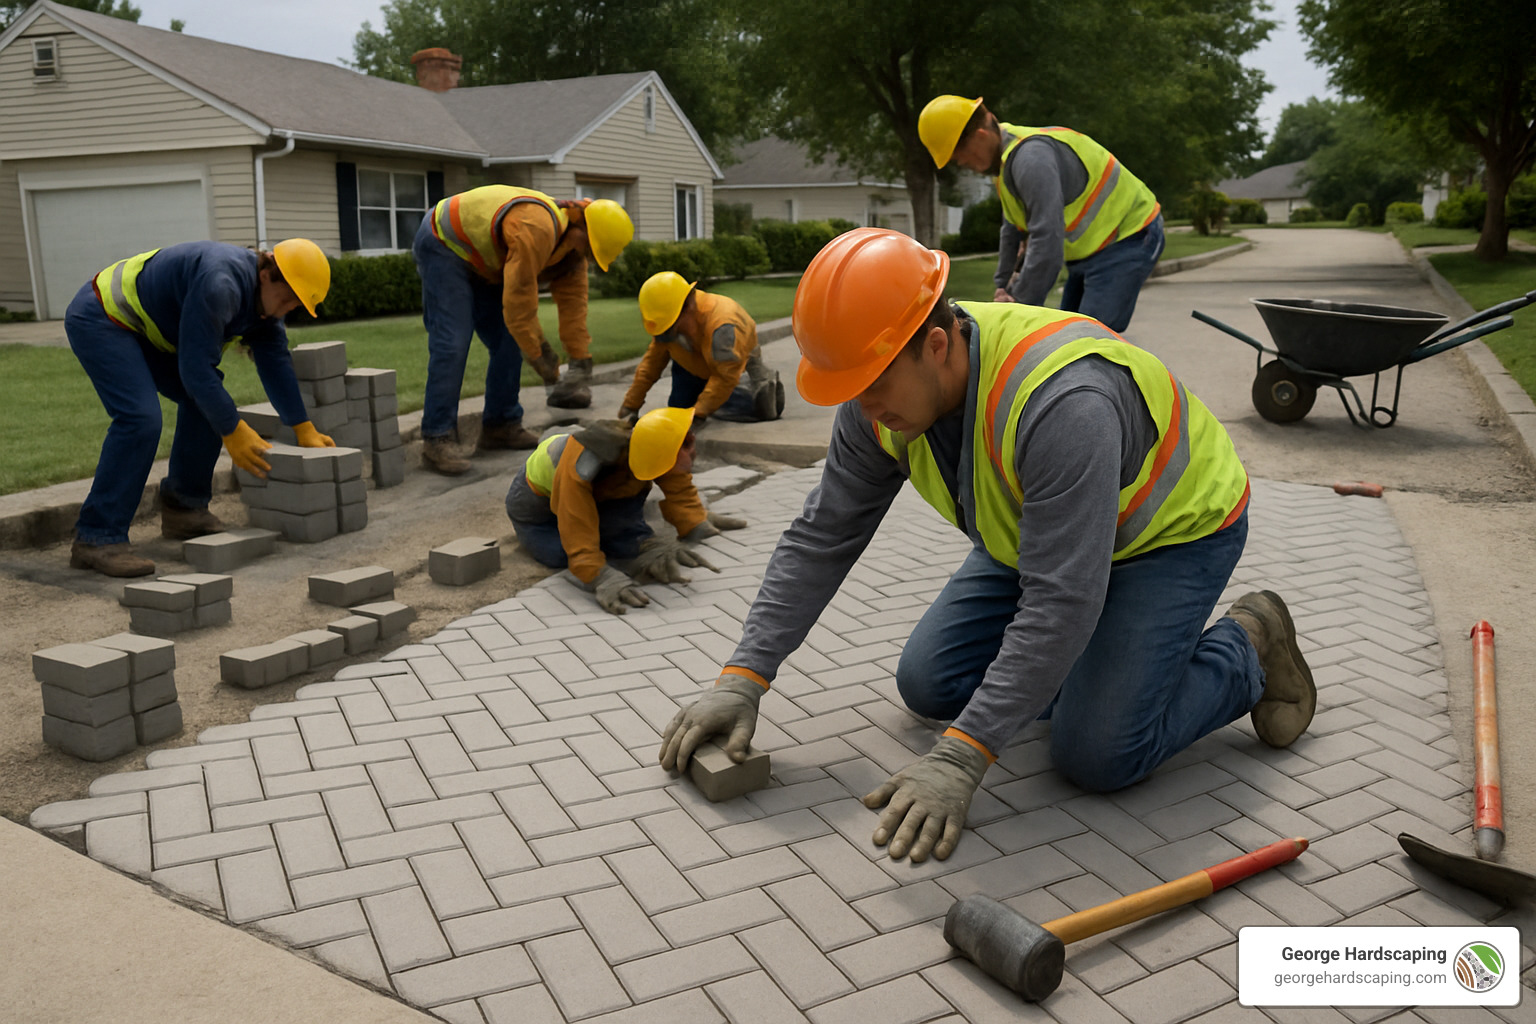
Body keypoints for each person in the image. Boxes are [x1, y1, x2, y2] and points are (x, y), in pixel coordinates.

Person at [658, 228, 1315, 864]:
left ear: (937, 344)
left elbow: (1060, 600)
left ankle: (1247, 643)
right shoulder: (878, 401)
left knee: (1098, 753)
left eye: (873, 383)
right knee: (929, 681)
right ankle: (1103, 667)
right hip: (1046, 541)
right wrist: (743, 677)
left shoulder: (1063, 403)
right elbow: (821, 537)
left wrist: (962, 755)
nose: (862, 406)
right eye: (850, 386)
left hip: (1170, 533)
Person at [65, 239, 335, 578]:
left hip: (150, 330)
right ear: (267, 274)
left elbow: (275, 361)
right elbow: (196, 370)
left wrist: (302, 426)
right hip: (104, 316)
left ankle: (184, 508)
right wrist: (233, 430)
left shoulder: (265, 307)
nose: (288, 307)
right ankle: (97, 537)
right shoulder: (220, 284)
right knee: (141, 419)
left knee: (210, 403)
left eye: (296, 305)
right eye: (288, 297)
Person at [413, 185, 635, 475]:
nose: (587, 258)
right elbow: (519, 305)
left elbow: (574, 311)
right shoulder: (535, 226)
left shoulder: (572, 255)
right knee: (453, 341)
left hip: (484, 258)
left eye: (593, 255)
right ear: (580, 226)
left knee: (507, 342)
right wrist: (542, 357)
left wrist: (580, 362)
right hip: (444, 241)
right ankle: (437, 437)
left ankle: (500, 424)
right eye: (589, 250)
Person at [919, 95, 1165, 332]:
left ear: (980, 137)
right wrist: (1003, 285)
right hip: (1093, 252)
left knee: (1086, 341)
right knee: (1065, 334)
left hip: (1130, 236)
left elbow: (1046, 242)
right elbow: (1012, 230)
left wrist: (1019, 307)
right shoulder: (1006, 166)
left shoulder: (1031, 159)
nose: (968, 168)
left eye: (963, 160)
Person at [505, 407, 748, 614]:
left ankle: (627, 540)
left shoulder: (651, 445)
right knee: (562, 553)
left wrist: (695, 520)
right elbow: (574, 521)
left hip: (600, 492)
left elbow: (676, 480)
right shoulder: (582, 467)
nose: (692, 450)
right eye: (685, 446)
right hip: (537, 508)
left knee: (627, 540)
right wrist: (599, 575)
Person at [618, 272, 784, 425]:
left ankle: (758, 383)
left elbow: (724, 378)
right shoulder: (669, 321)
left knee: (725, 403)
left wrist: (699, 412)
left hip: (734, 357)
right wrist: (630, 405)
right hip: (693, 362)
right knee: (678, 412)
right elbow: (650, 366)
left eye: (672, 330)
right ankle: (714, 393)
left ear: (688, 307)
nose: (669, 337)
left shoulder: (724, 325)